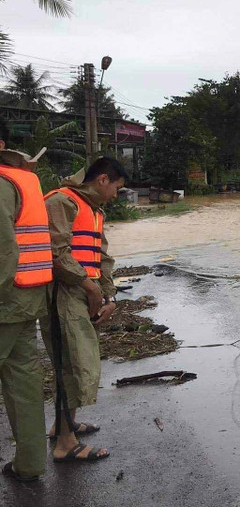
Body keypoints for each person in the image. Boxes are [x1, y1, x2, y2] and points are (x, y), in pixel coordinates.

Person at [41, 157, 127, 464]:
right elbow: (56, 254)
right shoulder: (61, 202)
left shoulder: (94, 210)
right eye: (117, 188)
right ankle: (65, 444)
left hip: (83, 292)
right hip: (62, 293)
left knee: (74, 362)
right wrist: (90, 289)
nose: (116, 195)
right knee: (72, 365)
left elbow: (102, 257)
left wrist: (109, 296)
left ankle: (63, 426)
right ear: (103, 180)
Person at [0, 119, 52, 482]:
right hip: (28, 295)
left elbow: (3, 251)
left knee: (23, 380)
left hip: (5, 297)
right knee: (23, 381)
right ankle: (30, 463)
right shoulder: (25, 179)